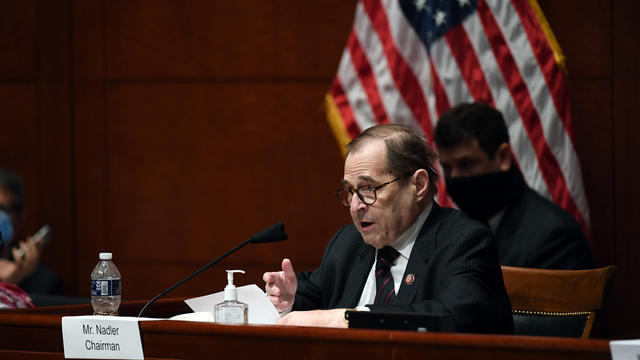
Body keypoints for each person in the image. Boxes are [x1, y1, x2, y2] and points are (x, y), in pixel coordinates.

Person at [263, 124, 513, 333]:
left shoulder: (463, 241)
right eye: (350, 191)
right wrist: (289, 301)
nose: (355, 206)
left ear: (419, 185)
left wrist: (346, 319)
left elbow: (454, 316)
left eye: (369, 189)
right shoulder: (349, 242)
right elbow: (314, 295)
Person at [433, 102, 594, 270]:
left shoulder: (556, 237)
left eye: (466, 164)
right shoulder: (450, 232)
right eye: (447, 168)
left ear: (502, 156)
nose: (455, 177)